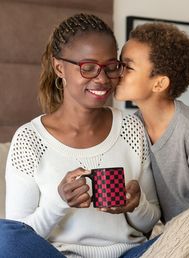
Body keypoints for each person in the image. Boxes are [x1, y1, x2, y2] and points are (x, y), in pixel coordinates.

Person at [0, 13, 160, 258]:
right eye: (88, 68)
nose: (103, 79)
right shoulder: (29, 139)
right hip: (60, 256)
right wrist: (59, 201)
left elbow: (150, 224)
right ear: (59, 67)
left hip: (129, 255)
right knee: (4, 235)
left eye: (111, 67)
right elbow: (19, 233)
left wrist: (136, 205)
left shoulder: (131, 127)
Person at [115, 22, 189, 224]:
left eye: (128, 67)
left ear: (159, 83)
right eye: (119, 64)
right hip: (173, 229)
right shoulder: (132, 126)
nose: (118, 72)